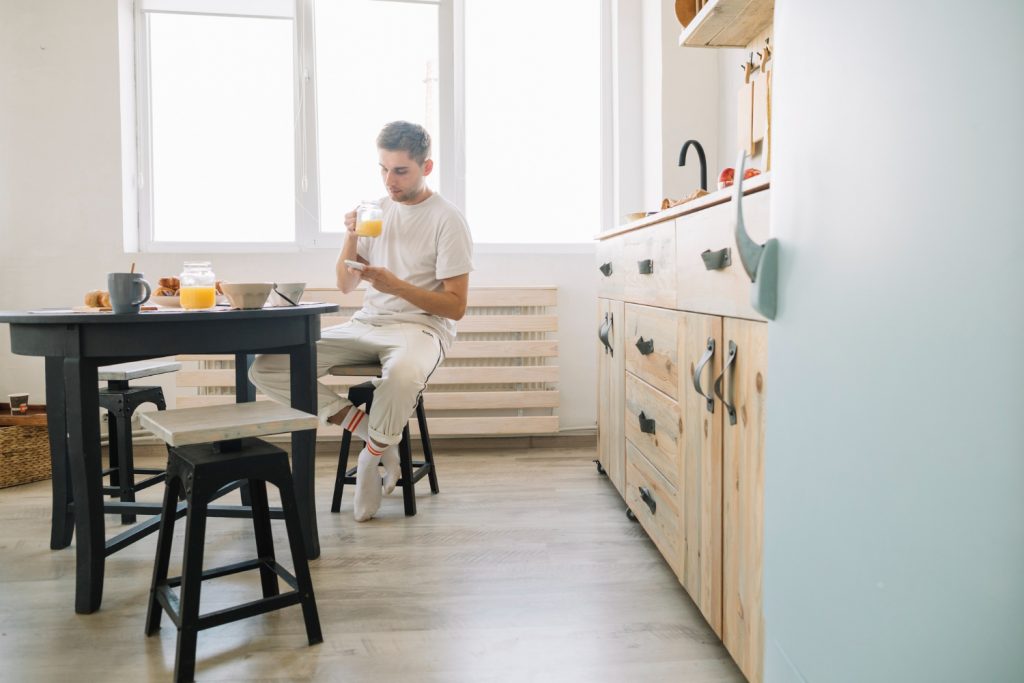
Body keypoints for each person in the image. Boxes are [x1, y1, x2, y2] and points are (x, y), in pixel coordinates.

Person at [249, 121, 473, 522]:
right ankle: (372, 435)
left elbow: (454, 307)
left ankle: (370, 461)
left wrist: (395, 285)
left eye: (400, 170)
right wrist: (350, 236)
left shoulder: (447, 220)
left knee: (402, 375)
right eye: (383, 169)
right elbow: (346, 284)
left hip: (421, 327)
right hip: (368, 322)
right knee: (267, 367)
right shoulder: (375, 211)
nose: (390, 180)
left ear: (427, 166)